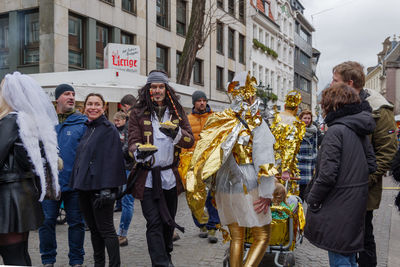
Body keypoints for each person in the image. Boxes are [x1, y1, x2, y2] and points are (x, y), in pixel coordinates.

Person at [186, 72, 276, 267]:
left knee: (237, 238)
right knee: (262, 236)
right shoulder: (257, 123)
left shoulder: (222, 120)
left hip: (225, 185)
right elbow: (265, 160)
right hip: (248, 184)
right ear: (252, 96)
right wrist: (267, 192)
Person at [331, 61, 398, 267]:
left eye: (335, 80)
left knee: (364, 237)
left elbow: (387, 153)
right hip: (342, 189)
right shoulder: (342, 104)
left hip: (363, 189)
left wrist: (362, 180)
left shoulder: (379, 109)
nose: (331, 84)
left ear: (349, 83)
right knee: (344, 238)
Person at [127, 70, 194, 267]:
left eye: (161, 87)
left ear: (166, 89)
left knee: (168, 221)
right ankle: (161, 263)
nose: (157, 90)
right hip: (147, 177)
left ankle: (167, 255)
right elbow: (132, 143)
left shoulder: (176, 111)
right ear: (148, 89)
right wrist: (139, 151)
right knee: (154, 222)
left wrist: (176, 133)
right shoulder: (137, 113)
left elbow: (189, 141)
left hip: (170, 177)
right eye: (153, 87)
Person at [305, 83, 377, 267]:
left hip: (338, 203)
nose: (322, 110)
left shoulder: (336, 131)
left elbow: (327, 175)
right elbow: (371, 164)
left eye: (324, 106)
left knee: (340, 258)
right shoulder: (358, 128)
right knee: (349, 255)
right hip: (356, 201)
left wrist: (312, 198)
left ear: (333, 106)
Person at [0, 72, 60, 266]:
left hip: (9, 197)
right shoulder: (30, 120)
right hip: (22, 194)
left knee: (13, 256)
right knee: (19, 254)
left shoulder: (10, 121)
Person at [69, 93, 126, 267]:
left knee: (107, 230)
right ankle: (98, 264)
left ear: (104, 107)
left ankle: (114, 265)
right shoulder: (89, 128)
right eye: (90, 104)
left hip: (101, 188)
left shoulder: (108, 129)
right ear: (85, 106)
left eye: (97, 104)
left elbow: (113, 160)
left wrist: (108, 189)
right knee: (94, 230)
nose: (93, 107)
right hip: (85, 187)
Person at [39, 84, 86, 267]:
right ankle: (48, 260)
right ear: (57, 98)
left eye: (73, 94)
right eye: (67, 94)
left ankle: (76, 261)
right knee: (47, 222)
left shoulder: (81, 122)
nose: (71, 97)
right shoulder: (45, 122)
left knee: (76, 223)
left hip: (74, 183)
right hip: (49, 183)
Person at [181, 90, 220, 243]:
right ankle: (201, 224)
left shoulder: (214, 118)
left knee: (212, 197)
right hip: (192, 165)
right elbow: (184, 143)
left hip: (211, 164)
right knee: (195, 198)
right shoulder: (187, 119)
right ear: (194, 103)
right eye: (199, 100)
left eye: (204, 100)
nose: (202, 103)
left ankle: (212, 228)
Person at [270, 90, 306, 195]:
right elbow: (290, 146)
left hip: (272, 164)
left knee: (273, 194)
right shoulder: (296, 122)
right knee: (286, 196)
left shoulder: (276, 117)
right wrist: (286, 169)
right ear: (297, 108)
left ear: (285, 105)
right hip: (286, 166)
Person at [113, 111, 135, 247]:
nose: (116, 123)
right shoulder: (113, 130)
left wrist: (115, 153)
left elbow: (128, 148)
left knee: (128, 201)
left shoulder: (128, 130)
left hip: (127, 168)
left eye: (118, 120)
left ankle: (122, 233)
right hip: (117, 168)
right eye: (115, 121)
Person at [114, 94, 136, 212]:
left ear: (126, 106)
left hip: (129, 163)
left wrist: (117, 154)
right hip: (132, 162)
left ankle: (123, 230)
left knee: (127, 198)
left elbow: (129, 143)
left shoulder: (131, 121)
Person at [297, 110, 318, 201]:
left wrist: (314, 157)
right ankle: (299, 212)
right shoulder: (296, 130)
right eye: (305, 118)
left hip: (310, 164)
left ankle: (307, 212)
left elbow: (315, 147)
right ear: (301, 118)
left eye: (309, 118)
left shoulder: (314, 131)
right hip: (299, 163)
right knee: (300, 191)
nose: (307, 120)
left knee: (309, 190)